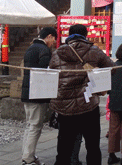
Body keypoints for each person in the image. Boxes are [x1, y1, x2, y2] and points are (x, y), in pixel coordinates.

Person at [49, 24, 114, 165]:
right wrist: (96, 70)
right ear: (85, 35)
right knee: (92, 146)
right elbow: (112, 68)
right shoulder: (94, 50)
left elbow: (51, 76)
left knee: (64, 147)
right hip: (88, 105)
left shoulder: (57, 53)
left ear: (69, 35)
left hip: (65, 107)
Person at [20, 27, 57, 165]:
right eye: (53, 39)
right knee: (35, 126)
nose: (53, 43)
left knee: (30, 124)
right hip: (37, 93)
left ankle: (26, 154)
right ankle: (28, 158)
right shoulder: (44, 50)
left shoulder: (30, 48)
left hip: (26, 92)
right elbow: (45, 72)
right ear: (49, 36)